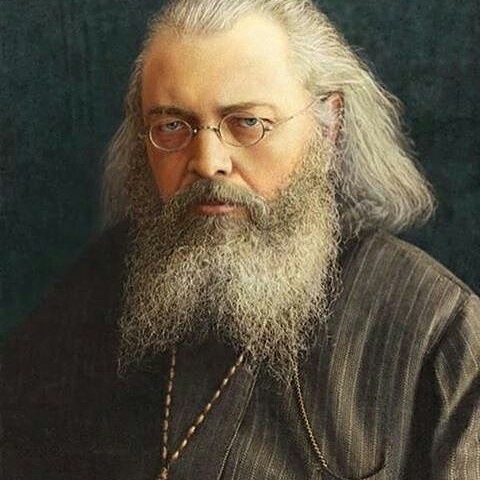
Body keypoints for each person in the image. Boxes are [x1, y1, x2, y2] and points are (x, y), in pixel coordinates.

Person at [1, 0, 479, 478]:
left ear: (329, 125)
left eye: (247, 122)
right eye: (172, 126)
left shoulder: (438, 329)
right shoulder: (94, 289)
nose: (208, 161)